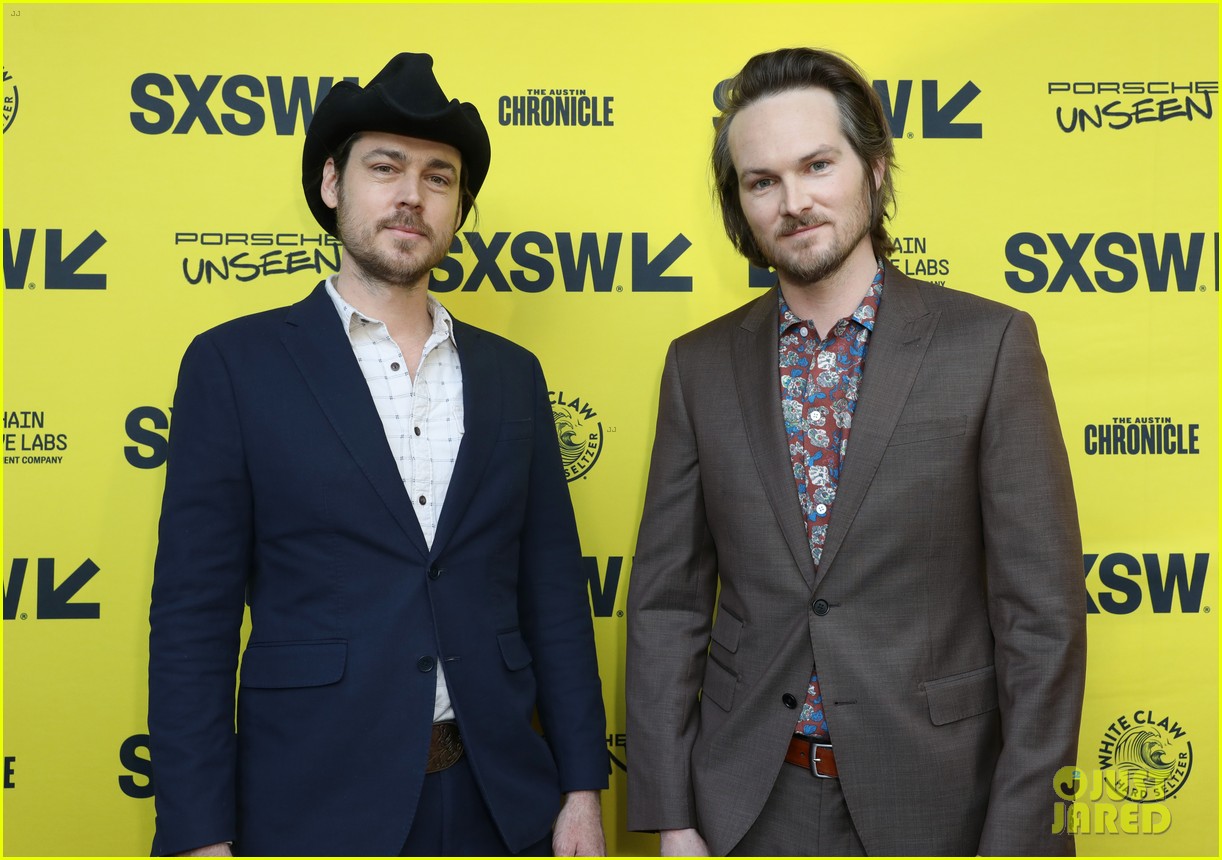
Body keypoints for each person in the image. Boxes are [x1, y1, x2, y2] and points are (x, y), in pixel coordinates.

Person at [626, 47, 1085, 856]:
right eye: (761, 181)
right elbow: (667, 605)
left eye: (817, 165)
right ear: (739, 205)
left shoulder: (990, 346)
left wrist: (1023, 833)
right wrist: (672, 816)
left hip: (943, 804)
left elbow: (1041, 618)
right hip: (744, 806)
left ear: (874, 170)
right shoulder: (697, 366)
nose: (793, 201)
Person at [148, 52, 607, 857]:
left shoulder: (511, 375)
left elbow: (555, 599)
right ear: (332, 185)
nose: (410, 196)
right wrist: (197, 835)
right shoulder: (234, 366)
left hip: (500, 804)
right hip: (310, 806)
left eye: (439, 177)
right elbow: (194, 621)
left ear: (458, 207)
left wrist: (579, 790)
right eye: (385, 167)